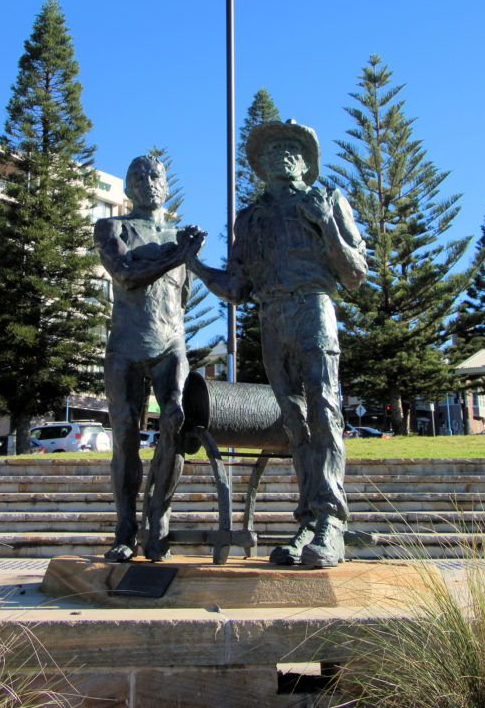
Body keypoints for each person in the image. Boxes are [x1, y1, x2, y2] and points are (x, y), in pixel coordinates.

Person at [188, 120, 367, 568]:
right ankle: (308, 519)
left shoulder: (326, 200)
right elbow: (237, 287)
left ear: (307, 161)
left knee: (324, 411)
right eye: (272, 150)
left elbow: (356, 273)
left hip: (313, 309)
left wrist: (327, 225)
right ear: (260, 164)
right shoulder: (250, 220)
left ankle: (331, 523)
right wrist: (194, 264)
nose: (281, 155)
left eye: (291, 148)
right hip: (272, 317)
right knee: (294, 424)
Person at [94, 155, 205, 562]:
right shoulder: (112, 227)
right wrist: (177, 256)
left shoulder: (182, 235)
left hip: (169, 345)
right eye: (137, 175)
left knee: (175, 424)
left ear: (166, 183)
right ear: (128, 187)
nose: (147, 181)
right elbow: (124, 275)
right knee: (125, 438)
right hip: (124, 347)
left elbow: (184, 297)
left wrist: (184, 254)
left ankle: (157, 520)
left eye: (154, 174)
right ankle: (125, 530)